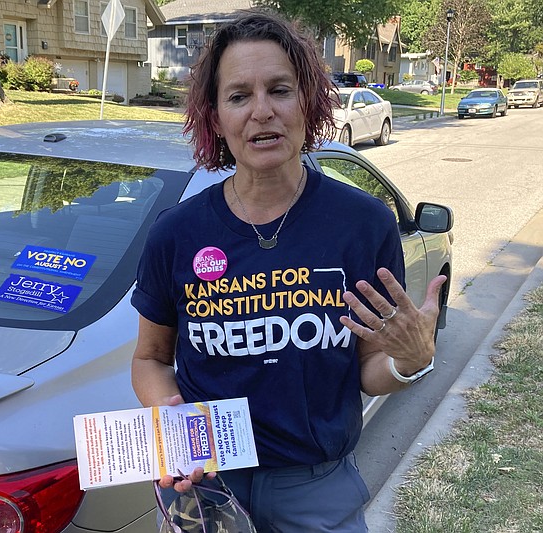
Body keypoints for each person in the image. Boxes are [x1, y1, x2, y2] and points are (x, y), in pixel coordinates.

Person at [130, 9, 445, 532]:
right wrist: (178, 428)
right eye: (238, 96)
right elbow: (150, 359)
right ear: (215, 118)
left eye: (280, 89)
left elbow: (369, 365)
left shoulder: (362, 223)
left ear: (308, 101)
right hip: (210, 487)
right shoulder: (176, 233)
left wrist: (408, 363)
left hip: (317, 489)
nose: (262, 112)